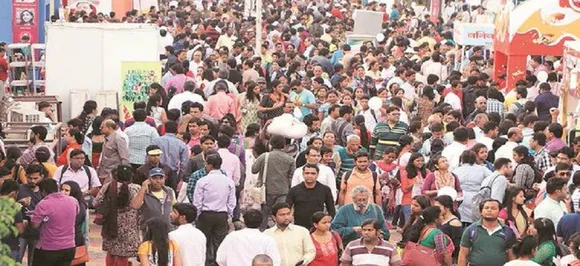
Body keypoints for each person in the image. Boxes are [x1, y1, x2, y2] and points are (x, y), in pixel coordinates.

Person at [192, 153, 236, 265]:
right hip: (222, 215)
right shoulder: (228, 181)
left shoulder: (203, 181)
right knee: (220, 243)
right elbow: (231, 202)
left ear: (209, 165)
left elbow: (197, 202)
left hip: (205, 215)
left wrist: (196, 216)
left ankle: (205, 263)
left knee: (203, 241)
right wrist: (229, 215)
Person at [93, 164, 141, 266]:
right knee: (123, 255)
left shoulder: (108, 186)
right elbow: (140, 205)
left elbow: (95, 202)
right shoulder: (136, 188)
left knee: (111, 252)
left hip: (111, 225)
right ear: (131, 175)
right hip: (129, 228)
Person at [251, 135, 296, 230]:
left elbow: (254, 170)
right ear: (283, 146)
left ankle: (262, 232)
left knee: (264, 214)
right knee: (281, 214)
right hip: (283, 191)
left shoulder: (264, 156)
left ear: (270, 144)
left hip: (266, 190)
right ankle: (280, 232)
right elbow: (292, 177)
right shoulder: (290, 159)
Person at [30, 178, 78, 266]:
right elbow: (75, 214)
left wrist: (33, 217)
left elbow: (35, 225)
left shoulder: (43, 204)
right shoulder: (73, 201)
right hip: (69, 246)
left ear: (43, 191)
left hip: (48, 248)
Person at [458, 199, 517, 266]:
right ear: (481, 212)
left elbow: (512, 256)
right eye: (486, 208)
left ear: (499, 212)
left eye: (493, 208)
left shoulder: (507, 231)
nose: (489, 210)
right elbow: (463, 254)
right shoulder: (471, 230)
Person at [216, 209, 281, 266]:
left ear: (244, 221)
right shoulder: (268, 239)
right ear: (261, 222)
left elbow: (220, 259)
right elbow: (275, 262)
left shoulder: (231, 237)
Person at [286, 163, 336, 228]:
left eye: (313, 173)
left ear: (317, 175)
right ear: (303, 174)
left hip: (318, 227)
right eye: (307, 173)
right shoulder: (294, 190)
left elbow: (331, 209)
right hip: (299, 226)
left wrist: (327, 222)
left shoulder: (325, 190)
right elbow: (287, 208)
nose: (309, 176)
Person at [131, 167, 176, 233]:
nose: (158, 181)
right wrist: (143, 188)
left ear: (165, 179)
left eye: (161, 178)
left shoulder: (169, 191)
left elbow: (175, 208)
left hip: (168, 230)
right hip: (149, 231)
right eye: (154, 178)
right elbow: (135, 206)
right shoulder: (144, 192)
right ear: (149, 179)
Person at [454, 150, 493, 226]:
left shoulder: (456, 170)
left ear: (462, 159)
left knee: (462, 219)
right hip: (477, 196)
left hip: (461, 197)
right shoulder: (482, 169)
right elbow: (492, 178)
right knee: (476, 220)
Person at [60, 181, 87, 266]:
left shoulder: (79, 206)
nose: (62, 192)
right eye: (61, 189)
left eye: (66, 190)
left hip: (74, 240)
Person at [98, 119, 130, 183]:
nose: (100, 128)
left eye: (102, 127)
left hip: (114, 174)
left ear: (109, 128)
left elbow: (125, 158)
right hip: (103, 172)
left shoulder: (118, 139)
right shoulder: (106, 138)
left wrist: (123, 174)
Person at [0, 179, 25, 261]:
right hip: (10, 247)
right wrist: (25, 223)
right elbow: (20, 230)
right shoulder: (13, 207)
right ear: (13, 193)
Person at [434, 195, 463, 260]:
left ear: (447, 207)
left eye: (438, 207)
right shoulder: (440, 220)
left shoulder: (455, 222)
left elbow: (456, 245)